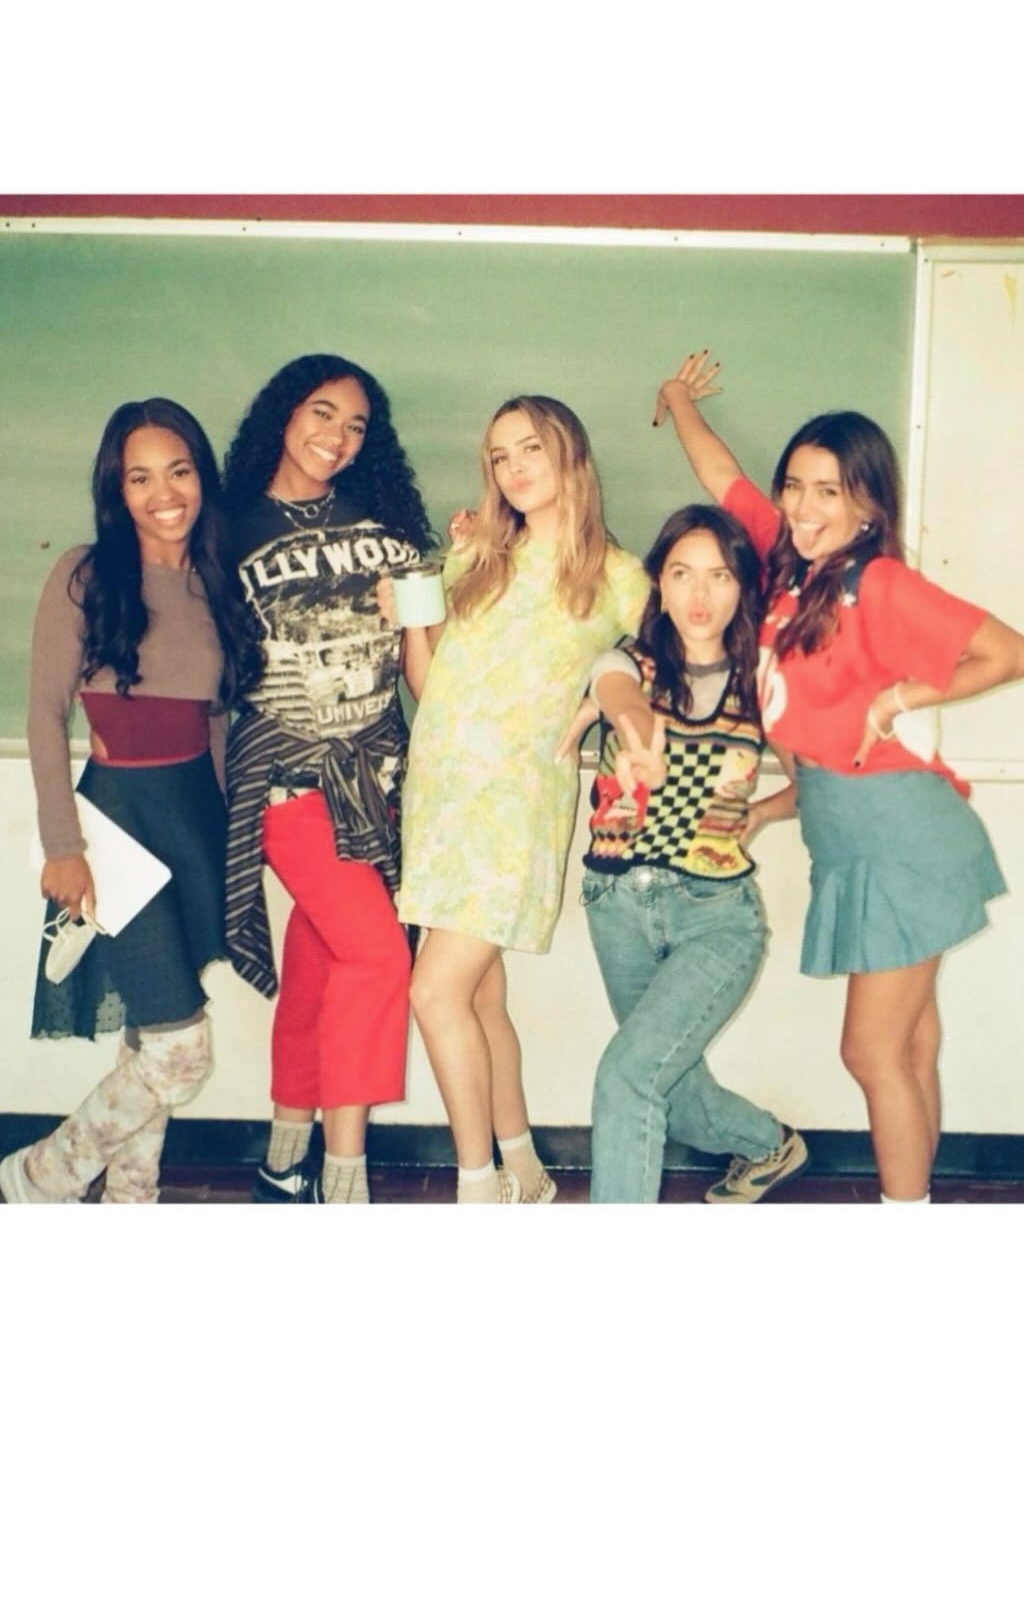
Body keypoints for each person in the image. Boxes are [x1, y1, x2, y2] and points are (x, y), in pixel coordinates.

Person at [655, 350, 1024, 1204]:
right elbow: (719, 472)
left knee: (870, 1051)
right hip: (854, 838)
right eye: (795, 486)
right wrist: (676, 398)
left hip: (903, 842)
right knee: (911, 1045)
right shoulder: (784, 567)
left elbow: (1008, 651)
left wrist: (902, 694)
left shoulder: (878, 582)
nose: (804, 506)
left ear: (867, 505)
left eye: (829, 491)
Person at [1, 400, 261, 1205]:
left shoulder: (218, 581)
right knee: (181, 1049)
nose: (163, 493)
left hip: (193, 818)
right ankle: (37, 1176)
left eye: (178, 471)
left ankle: (130, 1200)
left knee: (150, 1032)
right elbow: (44, 712)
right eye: (139, 477)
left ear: (201, 477)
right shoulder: (84, 573)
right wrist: (63, 845)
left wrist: (229, 840)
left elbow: (216, 722)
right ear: (117, 489)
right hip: (115, 822)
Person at [398, 395, 650, 1202]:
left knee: (433, 991)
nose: (513, 467)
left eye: (530, 447)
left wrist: (608, 687)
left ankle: (479, 1187)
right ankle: (529, 1174)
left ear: (569, 452)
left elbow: (673, 658)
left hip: (513, 807)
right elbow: (430, 683)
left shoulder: (617, 575)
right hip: (439, 796)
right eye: (500, 456)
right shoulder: (479, 556)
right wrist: (410, 616)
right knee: (477, 995)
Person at [221, 353, 435, 1205]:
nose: (337, 437)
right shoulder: (226, 528)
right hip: (287, 780)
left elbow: (424, 672)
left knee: (323, 956)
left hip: (380, 781)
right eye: (321, 412)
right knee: (379, 956)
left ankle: (284, 1158)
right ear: (284, 412)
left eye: (355, 425)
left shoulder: (388, 524)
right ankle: (343, 1180)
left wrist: (416, 607)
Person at [582, 504, 808, 1203]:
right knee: (669, 1089)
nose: (699, 594)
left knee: (628, 1076)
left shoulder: (762, 681)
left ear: (743, 585)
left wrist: (760, 814)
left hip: (716, 915)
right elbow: (613, 685)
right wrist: (636, 728)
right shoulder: (631, 660)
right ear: (660, 582)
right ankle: (770, 1144)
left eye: (719, 575)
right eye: (682, 574)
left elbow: (815, 783)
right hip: (617, 907)